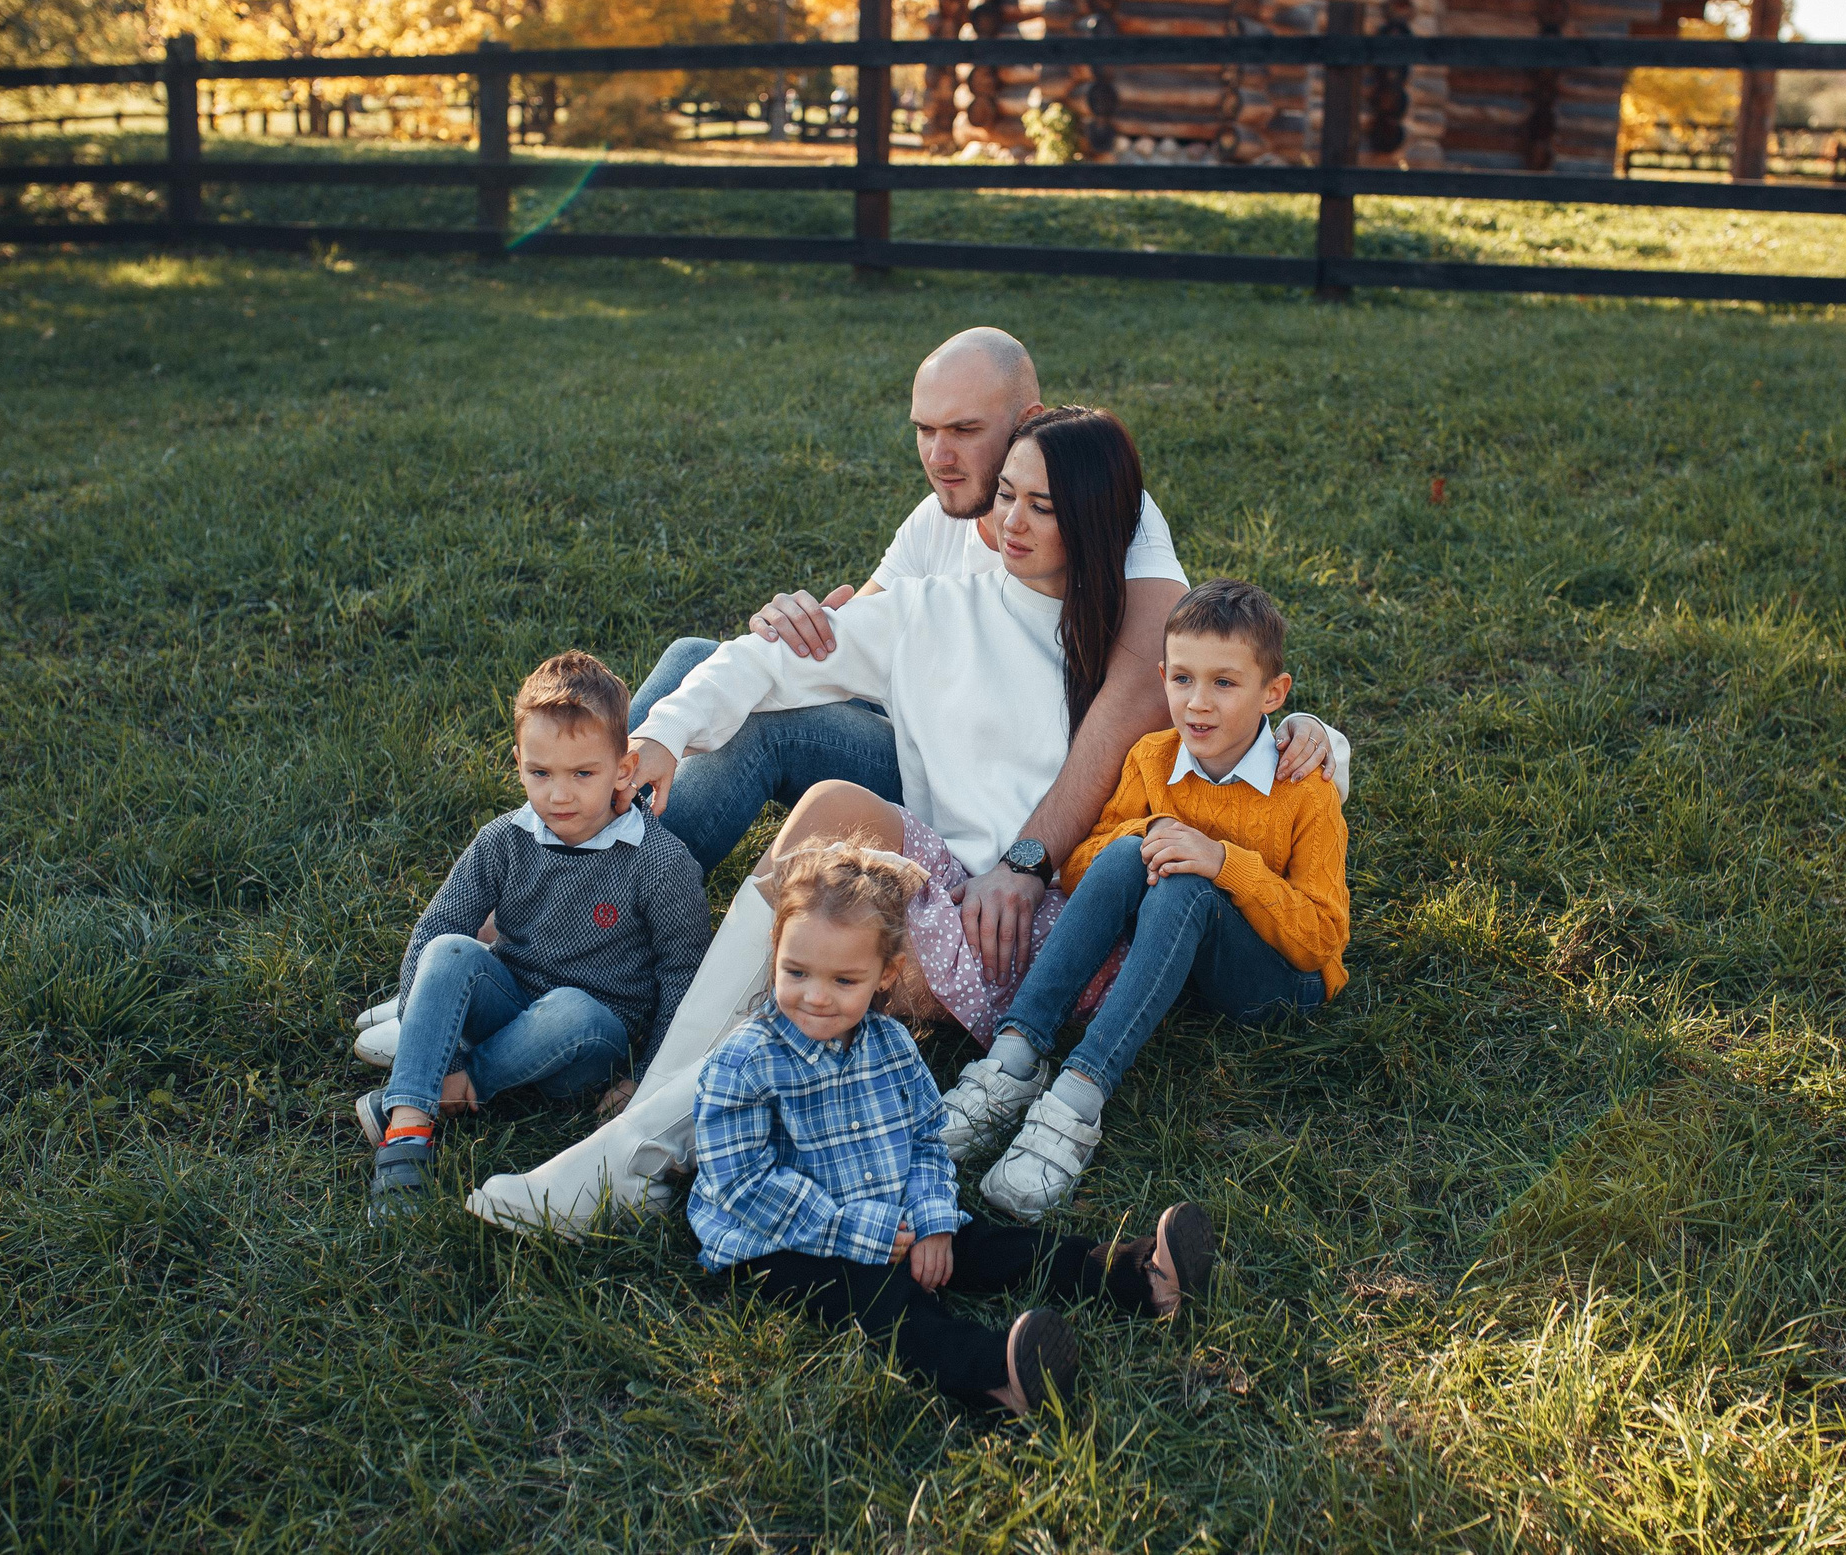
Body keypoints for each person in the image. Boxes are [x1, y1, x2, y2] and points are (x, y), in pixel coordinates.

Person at [344, 327, 1350, 1071]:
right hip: (941, 742)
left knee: (767, 728)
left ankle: (587, 927)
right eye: (925, 431)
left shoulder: (1099, 508)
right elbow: (866, 622)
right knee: (708, 657)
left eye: (968, 432)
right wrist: (787, 622)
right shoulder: (947, 517)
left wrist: (1029, 857)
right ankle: (560, 906)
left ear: (1029, 421)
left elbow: (1147, 682)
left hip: (1040, 798)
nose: (944, 458)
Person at [464, 407, 1157, 1235]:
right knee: (834, 805)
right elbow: (767, 661)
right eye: (1005, 494)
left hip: (1041, 923)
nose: (1010, 520)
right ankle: (647, 1117)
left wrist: (1310, 740)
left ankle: (634, 1155)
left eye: (1041, 506)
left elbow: (1236, 710)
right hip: (948, 880)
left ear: (1091, 514)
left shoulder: (1131, 643)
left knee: (826, 953)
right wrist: (661, 732)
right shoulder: (934, 609)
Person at [689, 842, 1215, 1415]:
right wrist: (856, 1232)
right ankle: (996, 1376)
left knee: (991, 1245)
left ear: (884, 975)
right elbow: (745, 1186)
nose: (815, 997)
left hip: (892, 1215)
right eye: (796, 972)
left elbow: (924, 1141)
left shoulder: (891, 1048)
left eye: (844, 981)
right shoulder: (743, 1064)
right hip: (777, 1242)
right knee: (883, 1297)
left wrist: (935, 1223)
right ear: (776, 951)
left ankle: (1136, 1274)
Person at [947, 580, 1349, 1219]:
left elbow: (1323, 940)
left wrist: (1225, 864)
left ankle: (1076, 1099)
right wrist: (1149, 832)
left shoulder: (1305, 789)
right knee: (1128, 849)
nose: (1198, 703)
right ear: (1162, 677)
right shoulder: (1152, 757)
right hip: (1180, 948)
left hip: (1276, 982)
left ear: (1273, 693)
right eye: (1183, 679)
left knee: (1189, 883)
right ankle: (1014, 1056)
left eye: (1225, 683)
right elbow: (1081, 870)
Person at [360, 652, 710, 1221]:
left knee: (570, 1009)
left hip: (593, 1038)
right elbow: (436, 929)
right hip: (511, 998)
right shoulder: (503, 839)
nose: (559, 796)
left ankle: (457, 1086)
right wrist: (425, 1024)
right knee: (449, 950)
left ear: (624, 769)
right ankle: (405, 1132)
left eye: (583, 774)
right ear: (518, 762)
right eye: (540, 773)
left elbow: (682, 977)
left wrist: (645, 1083)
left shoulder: (658, 861)